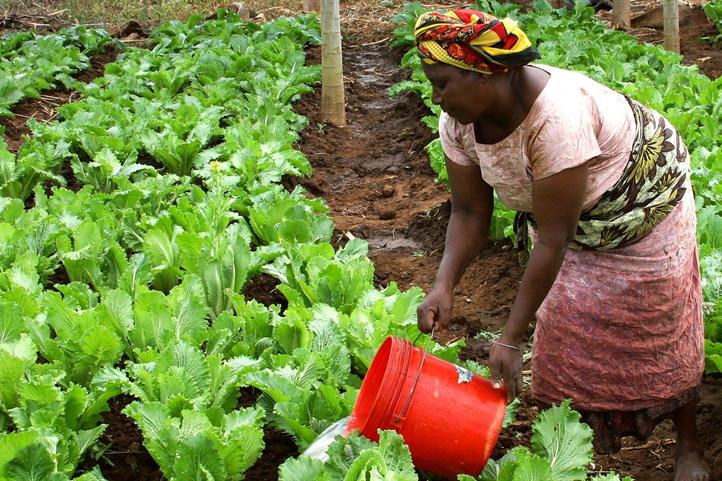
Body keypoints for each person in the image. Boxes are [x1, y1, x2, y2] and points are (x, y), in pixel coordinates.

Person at [412, 9, 708, 481]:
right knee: (565, 332)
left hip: (644, 205)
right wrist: (443, 285)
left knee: (659, 325)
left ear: (488, 70)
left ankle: (688, 445)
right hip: (566, 216)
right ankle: (565, 448)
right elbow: (469, 212)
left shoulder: (557, 116)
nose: (436, 97)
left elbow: (553, 238)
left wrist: (509, 338)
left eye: (443, 83)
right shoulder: (459, 123)